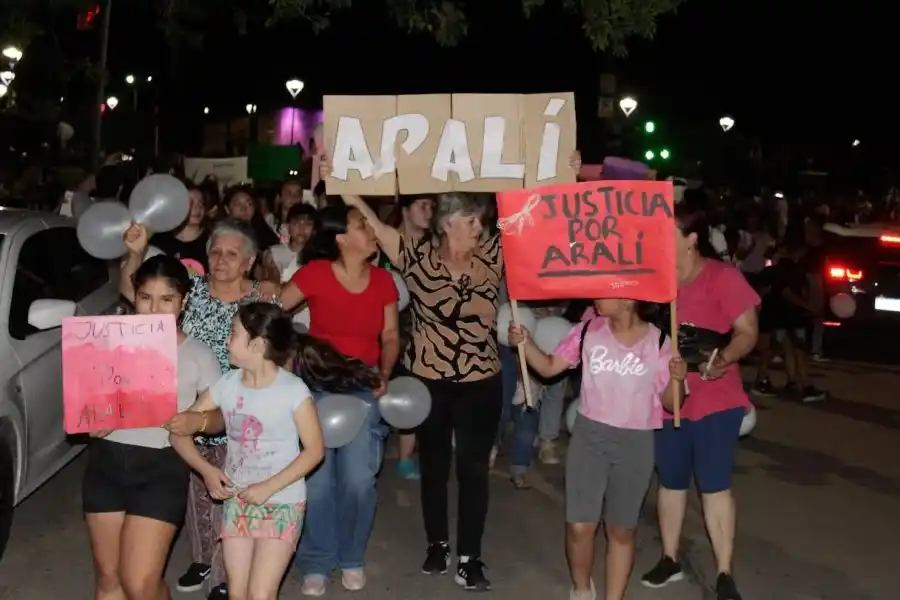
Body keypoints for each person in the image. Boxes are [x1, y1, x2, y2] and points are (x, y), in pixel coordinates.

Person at [121, 218, 278, 600]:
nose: (221, 259)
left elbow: (278, 350)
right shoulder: (190, 294)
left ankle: (227, 577)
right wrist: (136, 252)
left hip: (238, 416)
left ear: (249, 260)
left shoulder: (261, 301)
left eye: (231, 253)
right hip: (184, 412)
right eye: (214, 251)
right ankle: (204, 558)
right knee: (195, 497)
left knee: (232, 498)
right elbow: (137, 291)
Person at [509, 299, 686, 600]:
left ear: (627, 299)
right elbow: (550, 368)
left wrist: (678, 379)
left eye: (605, 291)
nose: (596, 296)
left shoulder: (659, 340)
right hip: (590, 436)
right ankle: (581, 589)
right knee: (579, 526)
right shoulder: (588, 329)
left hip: (636, 442)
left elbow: (673, 404)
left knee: (620, 530)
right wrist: (525, 343)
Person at [84, 255, 222, 600]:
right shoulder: (106, 343)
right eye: (146, 298)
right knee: (108, 578)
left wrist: (198, 420)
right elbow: (85, 405)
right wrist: (93, 419)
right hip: (106, 463)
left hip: (161, 468)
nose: (155, 309)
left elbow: (221, 415)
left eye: (167, 299)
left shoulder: (199, 355)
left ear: (184, 301)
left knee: (140, 583)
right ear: (134, 296)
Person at [640, 203, 759, 600]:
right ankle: (670, 559)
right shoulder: (656, 282)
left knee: (714, 485)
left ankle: (725, 572)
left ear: (691, 239)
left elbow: (747, 331)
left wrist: (722, 359)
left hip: (715, 398)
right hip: (667, 397)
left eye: (669, 231)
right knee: (670, 481)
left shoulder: (721, 277)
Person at [280, 202, 400, 596]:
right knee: (315, 481)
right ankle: (316, 561)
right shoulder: (315, 273)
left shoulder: (383, 281)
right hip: (315, 386)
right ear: (341, 238)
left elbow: (390, 336)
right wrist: (288, 357)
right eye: (361, 225)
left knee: (358, 480)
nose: (370, 231)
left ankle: (351, 556)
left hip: (363, 387)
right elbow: (275, 312)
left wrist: (384, 371)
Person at [170, 303, 325, 600]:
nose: (227, 340)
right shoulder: (227, 385)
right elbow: (180, 432)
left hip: (282, 501)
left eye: (233, 333)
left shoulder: (293, 391)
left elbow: (315, 451)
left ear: (256, 344)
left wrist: (268, 487)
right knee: (237, 592)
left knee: (261, 593)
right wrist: (207, 471)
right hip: (237, 500)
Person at [389, 195, 435, 480]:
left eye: (431, 206)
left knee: (417, 390)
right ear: (405, 210)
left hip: (426, 327)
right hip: (390, 325)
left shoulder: (437, 245)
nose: (429, 211)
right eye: (423, 205)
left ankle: (407, 456)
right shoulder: (385, 243)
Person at [768, 238, 826, 402]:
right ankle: (806, 386)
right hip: (793, 315)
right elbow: (788, 293)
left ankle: (792, 381)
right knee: (799, 351)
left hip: (782, 314)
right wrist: (808, 307)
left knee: (788, 348)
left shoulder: (781, 267)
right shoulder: (790, 269)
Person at [151, 182, 211, 276]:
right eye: (190, 202)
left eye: (201, 203)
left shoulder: (213, 239)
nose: (197, 208)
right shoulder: (160, 241)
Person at [259, 203, 316, 283]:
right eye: (296, 223)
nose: (302, 228)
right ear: (288, 226)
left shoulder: (318, 257)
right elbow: (260, 285)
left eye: (308, 224)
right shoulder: (273, 252)